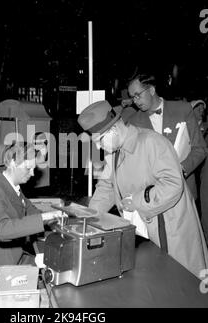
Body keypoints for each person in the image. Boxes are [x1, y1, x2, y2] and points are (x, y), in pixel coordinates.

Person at [77, 100, 208, 277]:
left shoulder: (151, 142)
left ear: (114, 130)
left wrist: (137, 201)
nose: (99, 146)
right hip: (147, 229)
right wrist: (89, 218)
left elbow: (173, 184)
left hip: (171, 229)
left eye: (100, 140)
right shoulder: (114, 151)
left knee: (183, 285)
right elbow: (107, 185)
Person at [0, 141, 62, 266]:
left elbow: (29, 208)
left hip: (14, 255)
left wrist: (54, 219)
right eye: (28, 168)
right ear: (12, 163)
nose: (32, 173)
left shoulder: (13, 187)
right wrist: (44, 219)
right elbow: (2, 229)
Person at [125, 73, 208, 201]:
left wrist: (181, 170)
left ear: (151, 90)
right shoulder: (133, 122)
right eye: (132, 98)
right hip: (153, 196)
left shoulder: (183, 109)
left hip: (184, 191)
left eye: (137, 95)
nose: (135, 101)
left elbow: (200, 149)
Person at [191, 99, 208, 245]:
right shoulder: (187, 130)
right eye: (197, 108)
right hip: (194, 177)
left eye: (202, 108)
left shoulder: (205, 128)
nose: (201, 110)